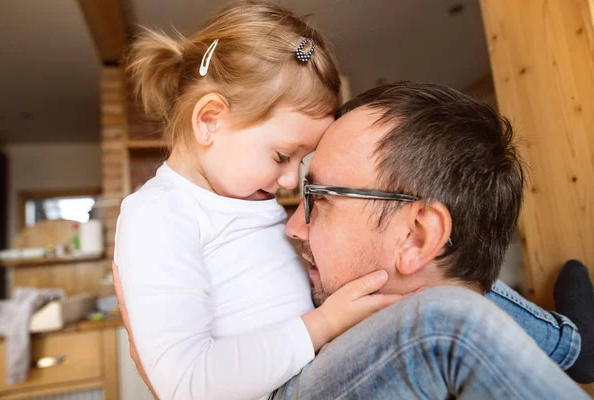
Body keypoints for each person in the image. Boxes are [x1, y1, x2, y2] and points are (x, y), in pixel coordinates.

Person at [114, 2, 403, 400]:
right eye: (283, 156)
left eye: (302, 161)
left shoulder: (247, 197)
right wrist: (324, 323)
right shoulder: (157, 214)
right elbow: (185, 382)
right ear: (210, 120)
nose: (290, 180)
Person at [271, 81, 589, 399]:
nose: (294, 227)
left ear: (417, 237)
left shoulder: (443, 324)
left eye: (320, 198)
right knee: (445, 274)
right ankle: (569, 343)